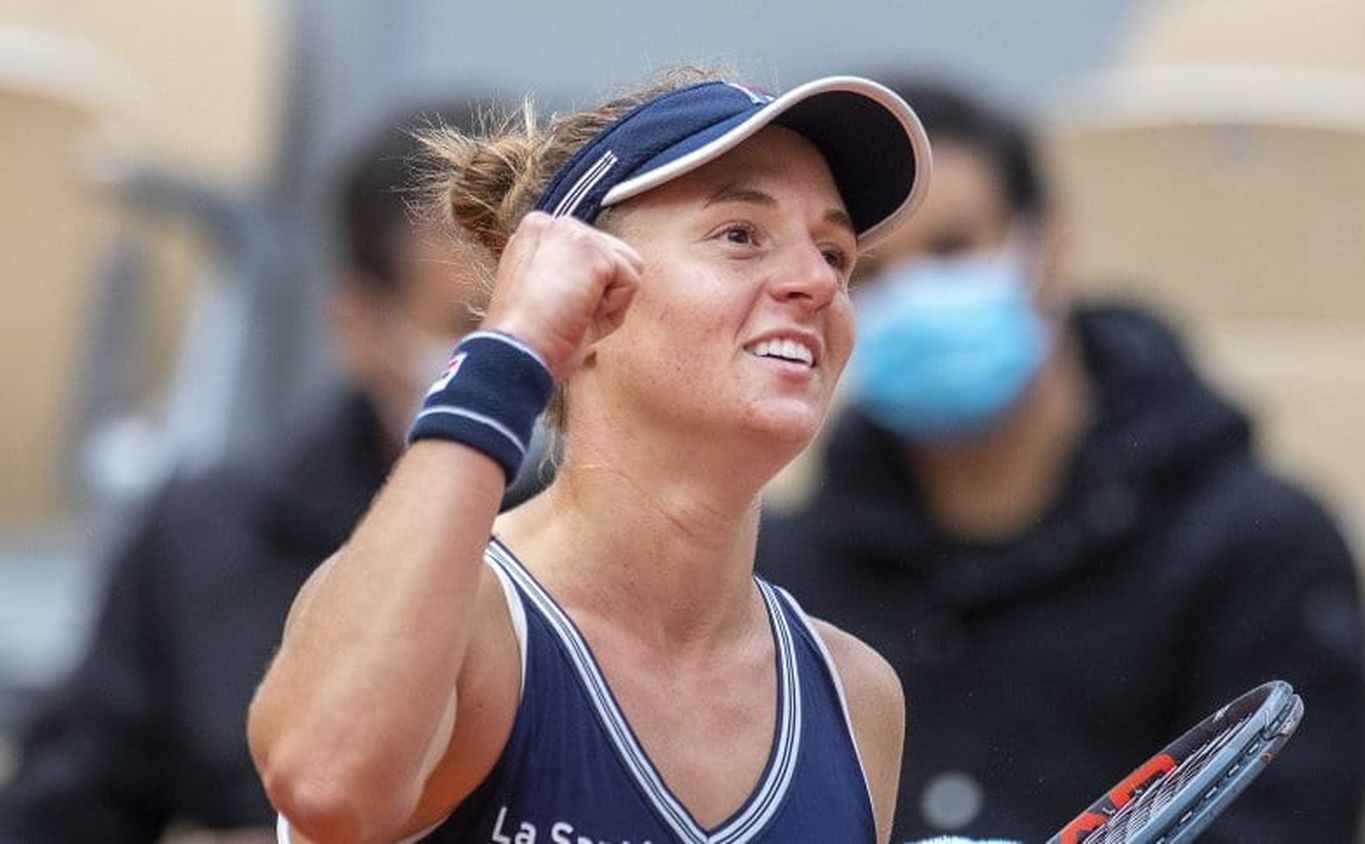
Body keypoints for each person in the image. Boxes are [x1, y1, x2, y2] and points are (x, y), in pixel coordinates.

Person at [245, 70, 932, 844]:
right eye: (740, 234)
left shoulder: (856, 695)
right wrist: (508, 354)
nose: (817, 282)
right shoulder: (471, 622)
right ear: (586, 298)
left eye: (837, 254)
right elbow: (323, 783)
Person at [757, 79, 1365, 843]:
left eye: (953, 249)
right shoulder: (777, 571)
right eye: (868, 272)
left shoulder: (1260, 548)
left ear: (1047, 249)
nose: (916, 294)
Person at [0, 101, 493, 841]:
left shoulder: (649, 548)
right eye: (474, 325)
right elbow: (61, 812)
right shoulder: (203, 542)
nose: (526, 358)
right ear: (358, 324)